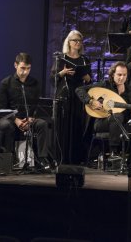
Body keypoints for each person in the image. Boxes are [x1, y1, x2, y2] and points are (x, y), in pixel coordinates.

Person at [0, 52, 53, 171]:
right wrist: (16, 120)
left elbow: (37, 104)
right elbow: (2, 108)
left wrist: (31, 118)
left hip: (28, 118)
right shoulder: (6, 83)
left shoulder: (34, 83)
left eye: (28, 68)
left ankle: (42, 159)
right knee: (5, 125)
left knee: (42, 124)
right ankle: (8, 158)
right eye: (23, 68)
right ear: (15, 65)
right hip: (11, 119)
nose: (25, 72)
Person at [75, 61, 131, 155]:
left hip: (122, 123)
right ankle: (113, 153)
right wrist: (91, 101)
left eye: (124, 75)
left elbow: (129, 114)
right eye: (119, 74)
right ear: (113, 74)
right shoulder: (105, 85)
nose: (122, 78)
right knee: (117, 116)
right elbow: (79, 89)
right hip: (101, 122)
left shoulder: (130, 92)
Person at [50, 30, 92, 164]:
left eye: (79, 41)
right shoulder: (61, 59)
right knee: (64, 127)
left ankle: (76, 158)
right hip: (65, 96)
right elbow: (53, 80)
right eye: (75, 40)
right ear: (69, 42)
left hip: (79, 96)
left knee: (78, 127)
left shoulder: (84, 59)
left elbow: (90, 80)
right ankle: (63, 158)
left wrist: (87, 77)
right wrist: (62, 72)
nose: (78, 43)